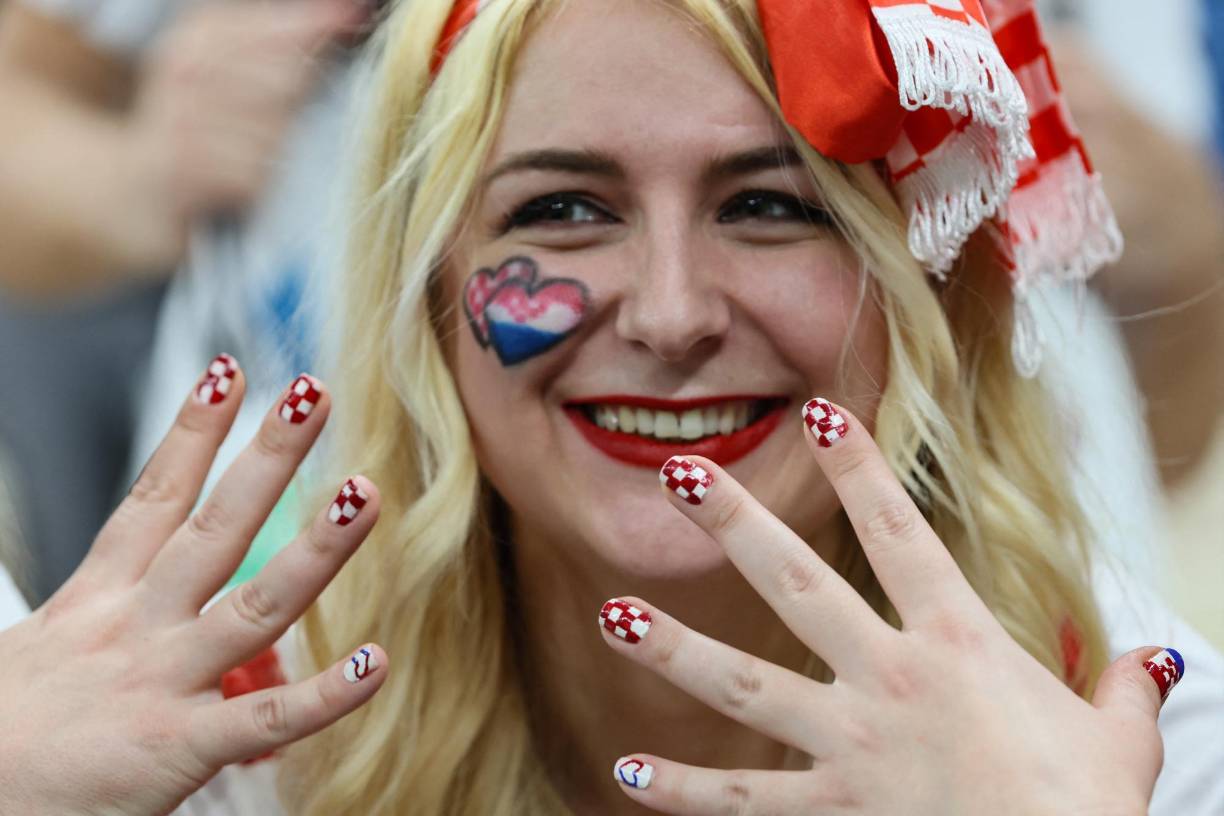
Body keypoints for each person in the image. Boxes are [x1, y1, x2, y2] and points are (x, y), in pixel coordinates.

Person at [1, 1, 1222, 814]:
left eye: (770, 206)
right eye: (563, 211)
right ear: (425, 299)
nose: (671, 314)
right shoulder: (247, 723)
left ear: (917, 299)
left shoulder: (1132, 738)